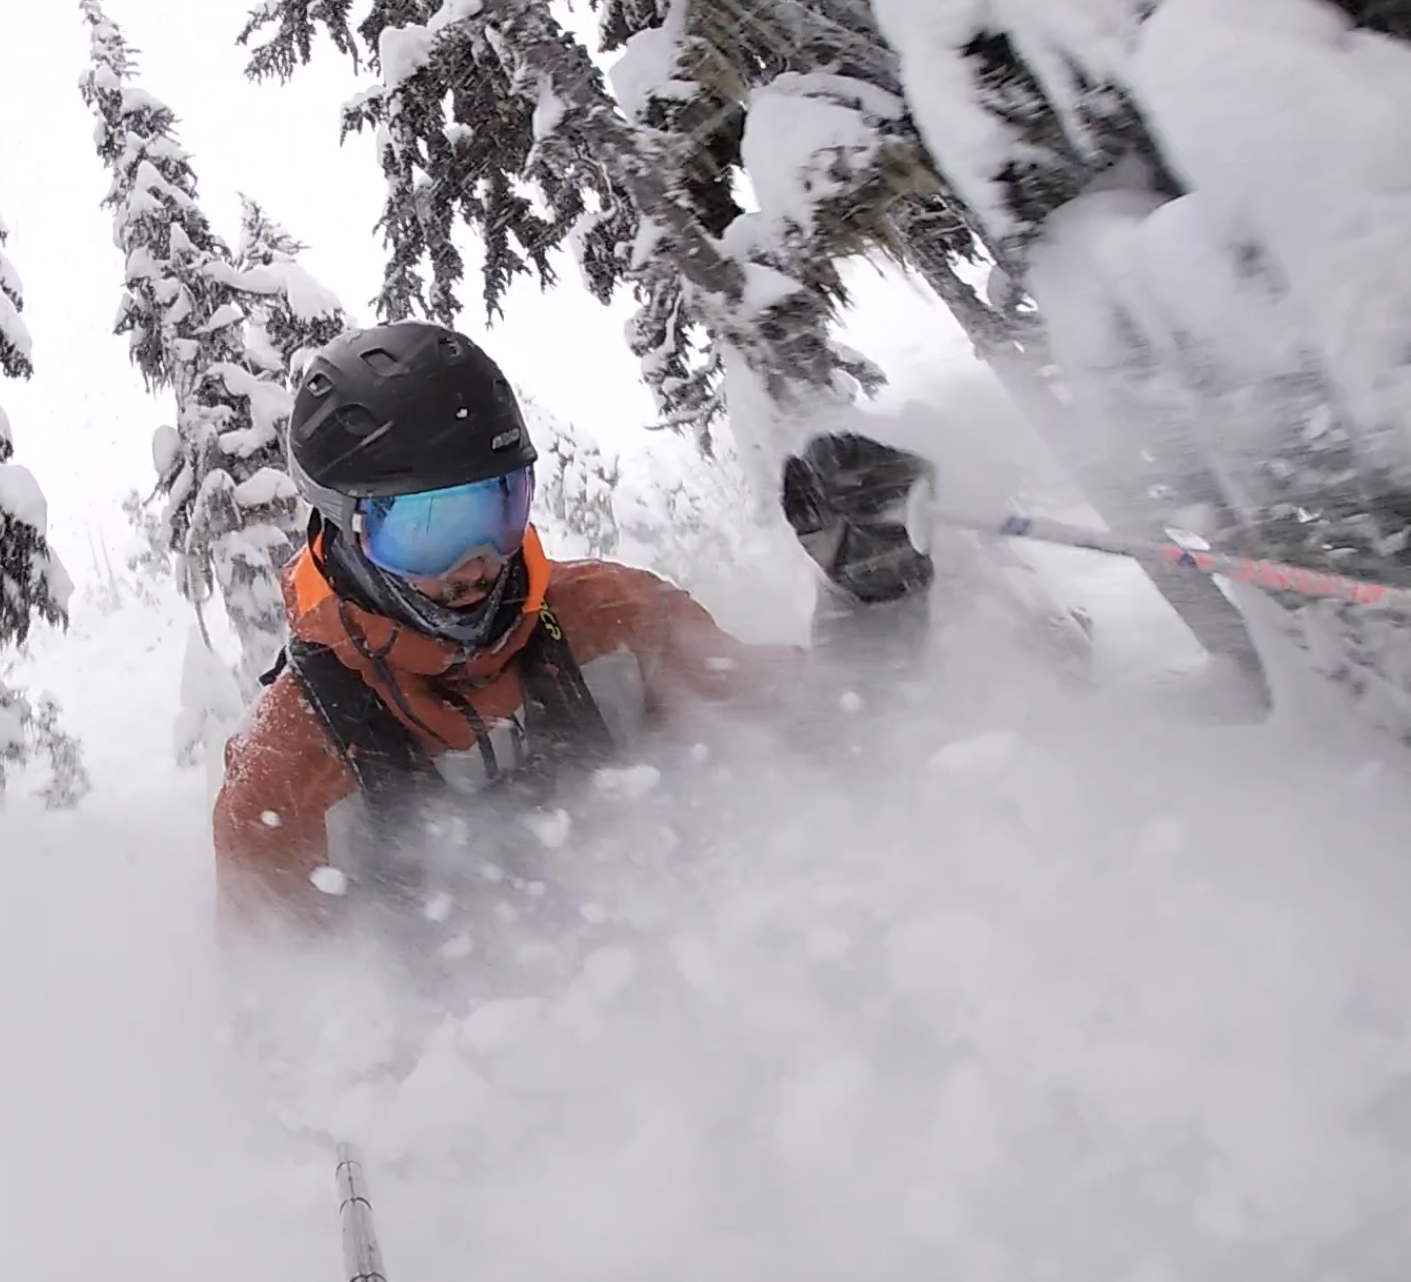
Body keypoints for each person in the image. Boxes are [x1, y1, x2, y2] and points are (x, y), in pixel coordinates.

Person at [214, 322, 935, 935]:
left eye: (498, 507)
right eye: (428, 528)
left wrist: (873, 588)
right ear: (343, 531)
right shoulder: (289, 765)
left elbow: (834, 731)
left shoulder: (610, 620)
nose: (476, 563)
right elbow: (283, 1024)